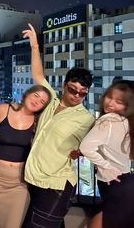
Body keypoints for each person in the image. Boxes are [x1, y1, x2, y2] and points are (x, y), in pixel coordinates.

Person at [21, 23, 95, 228]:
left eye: (83, 93)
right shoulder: (50, 100)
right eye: (73, 89)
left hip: (57, 184)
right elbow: (38, 76)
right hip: (35, 180)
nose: (77, 96)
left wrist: (82, 151)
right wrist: (35, 46)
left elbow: (98, 142)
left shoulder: (87, 118)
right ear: (64, 85)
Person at [0, 85, 52, 228]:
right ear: (27, 94)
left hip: (19, 182)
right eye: (36, 95)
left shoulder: (38, 123)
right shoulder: (3, 109)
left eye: (42, 102)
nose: (37, 101)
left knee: (13, 224)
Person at [80, 80, 134, 228]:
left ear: (127, 106)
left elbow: (85, 147)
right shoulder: (127, 122)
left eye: (119, 102)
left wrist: (106, 166)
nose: (110, 103)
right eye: (109, 97)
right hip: (126, 182)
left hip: (116, 186)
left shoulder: (108, 121)